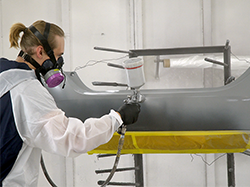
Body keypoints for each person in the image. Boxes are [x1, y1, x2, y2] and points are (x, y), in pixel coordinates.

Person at [0, 20, 141, 186]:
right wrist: (117, 118)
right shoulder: (28, 92)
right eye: (58, 56)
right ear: (40, 52)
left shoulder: (4, 72)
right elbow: (74, 140)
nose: (59, 63)